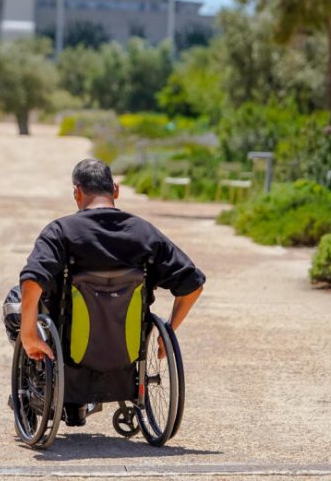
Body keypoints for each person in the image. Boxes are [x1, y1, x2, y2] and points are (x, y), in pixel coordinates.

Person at [16, 158, 205, 425]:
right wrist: (169, 331)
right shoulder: (144, 233)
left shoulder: (61, 232)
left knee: (17, 300)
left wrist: (28, 332)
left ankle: (31, 395)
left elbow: (32, 280)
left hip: (69, 349)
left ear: (76, 193)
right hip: (125, 351)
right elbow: (192, 285)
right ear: (115, 190)